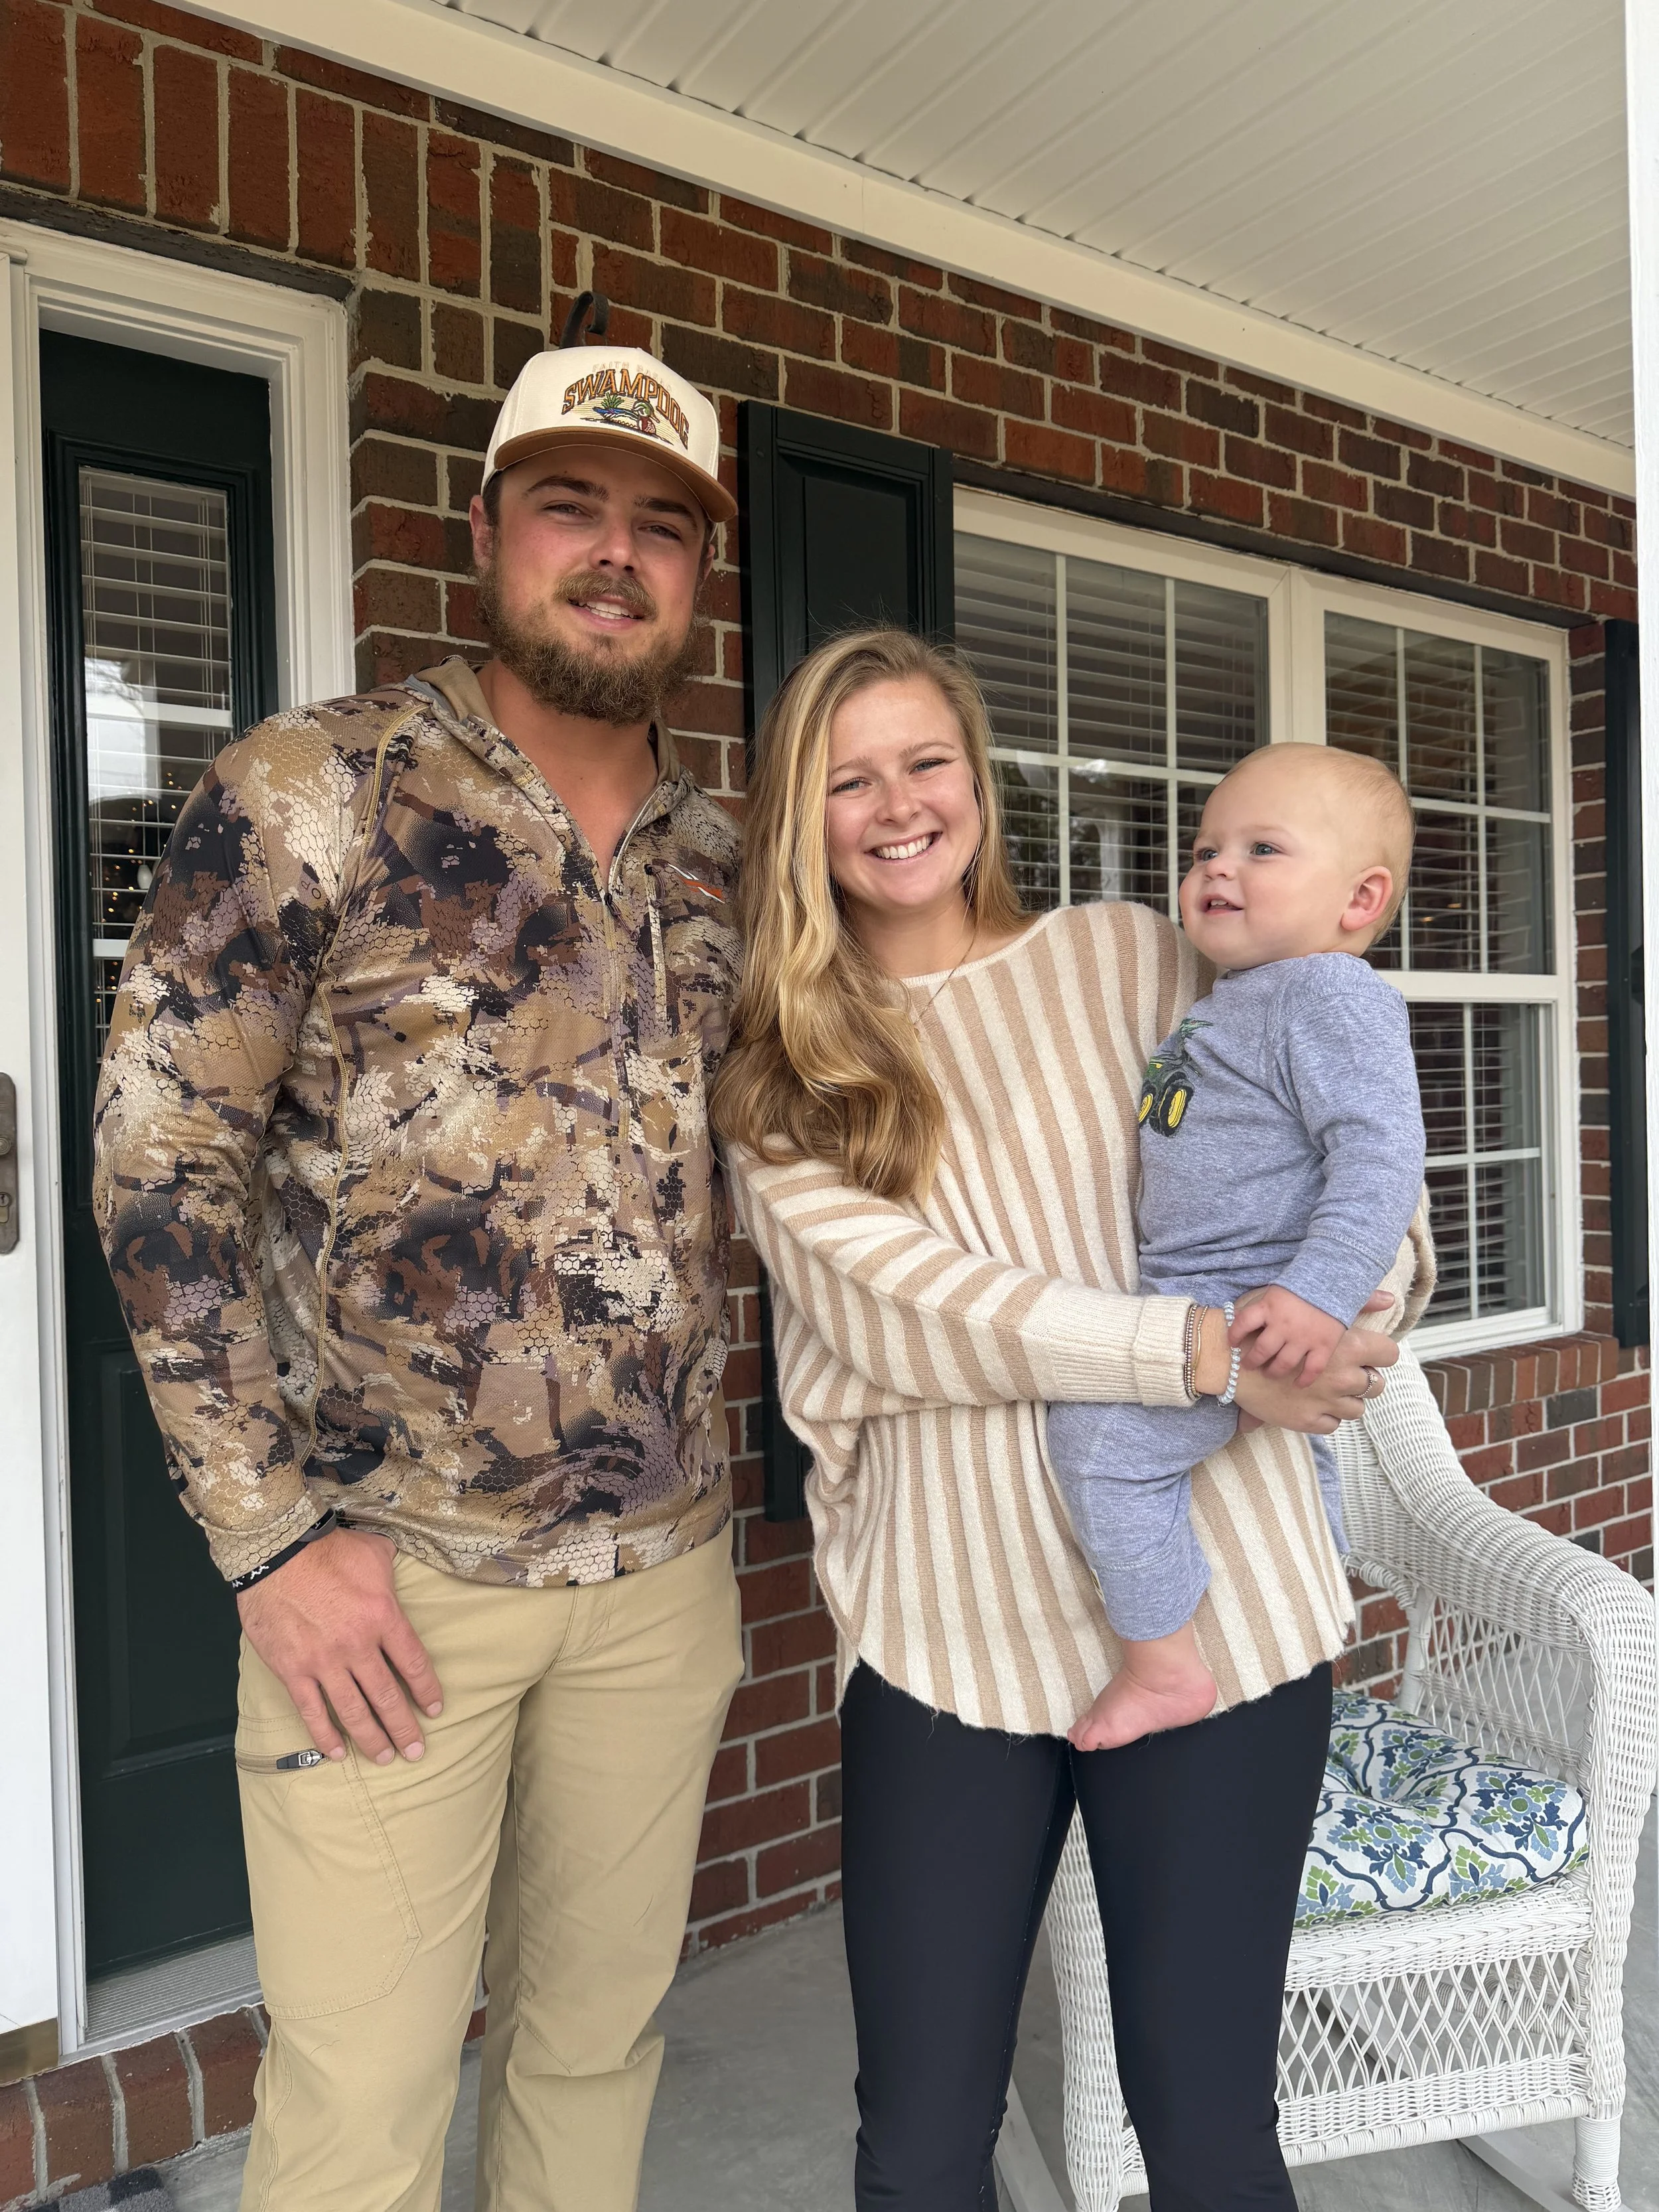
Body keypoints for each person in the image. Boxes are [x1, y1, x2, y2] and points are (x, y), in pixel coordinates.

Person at [92, 342, 746, 2212]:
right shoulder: (315, 790)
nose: (612, 557)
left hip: (659, 1577)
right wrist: (271, 1545)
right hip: (389, 1587)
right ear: (483, 533)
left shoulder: (723, 860)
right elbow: (160, 1167)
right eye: (568, 506)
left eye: (659, 526)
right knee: (362, 2102)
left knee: (594, 2046)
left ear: (696, 573)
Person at [713, 627, 1430, 2212]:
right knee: (916, 2143)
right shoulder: (780, 1079)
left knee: (1209, 2137)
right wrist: (1204, 1356)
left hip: (1221, 1605)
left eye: (925, 761)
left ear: (977, 774)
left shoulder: (1132, 953)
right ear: (796, 818)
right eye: (847, 780)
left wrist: (1351, 1304)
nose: (897, 806)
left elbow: (1354, 1158)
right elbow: (912, 1308)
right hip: (946, 1620)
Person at [1048, 743, 1426, 1753]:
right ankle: (1320, 1619)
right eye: (1206, 845)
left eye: (1264, 848)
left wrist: (1319, 1291)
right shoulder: (1236, 999)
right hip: (1207, 1292)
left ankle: (1164, 1666)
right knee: (1312, 1476)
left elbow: (1383, 1157)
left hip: (1257, 1296)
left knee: (1099, 1449)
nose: (1218, 867)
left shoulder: (1329, 995)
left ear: (1360, 900)